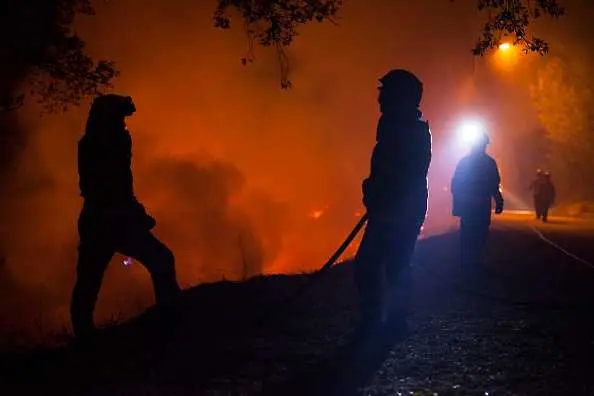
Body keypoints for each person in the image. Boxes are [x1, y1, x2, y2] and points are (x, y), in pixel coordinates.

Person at [70, 94, 181, 339]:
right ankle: (170, 319)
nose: (124, 124)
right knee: (161, 259)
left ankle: (83, 334)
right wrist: (134, 214)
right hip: (109, 220)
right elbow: (111, 187)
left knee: (88, 279)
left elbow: (116, 186)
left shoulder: (94, 142)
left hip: (99, 219)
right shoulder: (105, 144)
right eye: (120, 118)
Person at [354, 69, 432, 336]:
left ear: (401, 98)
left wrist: (380, 192)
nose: (380, 99)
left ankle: (391, 321)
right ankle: (378, 319)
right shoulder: (393, 129)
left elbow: (408, 173)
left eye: (385, 94)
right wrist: (374, 190)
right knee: (372, 264)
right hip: (389, 209)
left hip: (401, 212)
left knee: (390, 265)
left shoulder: (410, 132)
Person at [451, 131, 504, 270]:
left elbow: (455, 185)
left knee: (468, 233)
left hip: (469, 206)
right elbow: (494, 184)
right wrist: (498, 201)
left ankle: (467, 261)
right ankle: (474, 260)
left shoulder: (464, 162)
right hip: (481, 205)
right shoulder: (489, 163)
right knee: (479, 232)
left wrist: (457, 204)